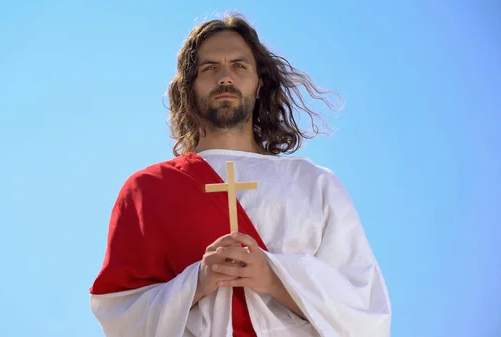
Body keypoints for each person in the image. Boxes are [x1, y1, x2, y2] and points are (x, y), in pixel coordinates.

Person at [89, 13, 391, 337]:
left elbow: (367, 313)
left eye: (238, 65)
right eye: (209, 68)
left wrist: (273, 277)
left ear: (259, 84)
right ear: (188, 87)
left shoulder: (314, 184)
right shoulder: (148, 191)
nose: (224, 77)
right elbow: (118, 313)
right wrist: (197, 283)